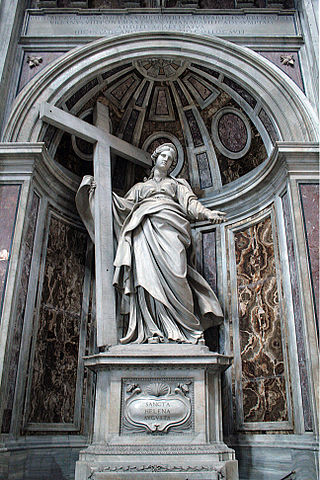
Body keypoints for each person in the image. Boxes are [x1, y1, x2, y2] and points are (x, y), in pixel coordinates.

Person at [76, 143, 226, 345]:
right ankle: (152, 330)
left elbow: (190, 204)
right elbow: (123, 208)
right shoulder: (140, 188)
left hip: (171, 229)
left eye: (170, 158)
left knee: (177, 273)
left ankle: (186, 329)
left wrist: (208, 214)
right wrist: (100, 194)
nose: (166, 159)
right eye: (163, 155)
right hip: (143, 231)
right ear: (155, 158)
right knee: (146, 280)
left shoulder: (177, 185)